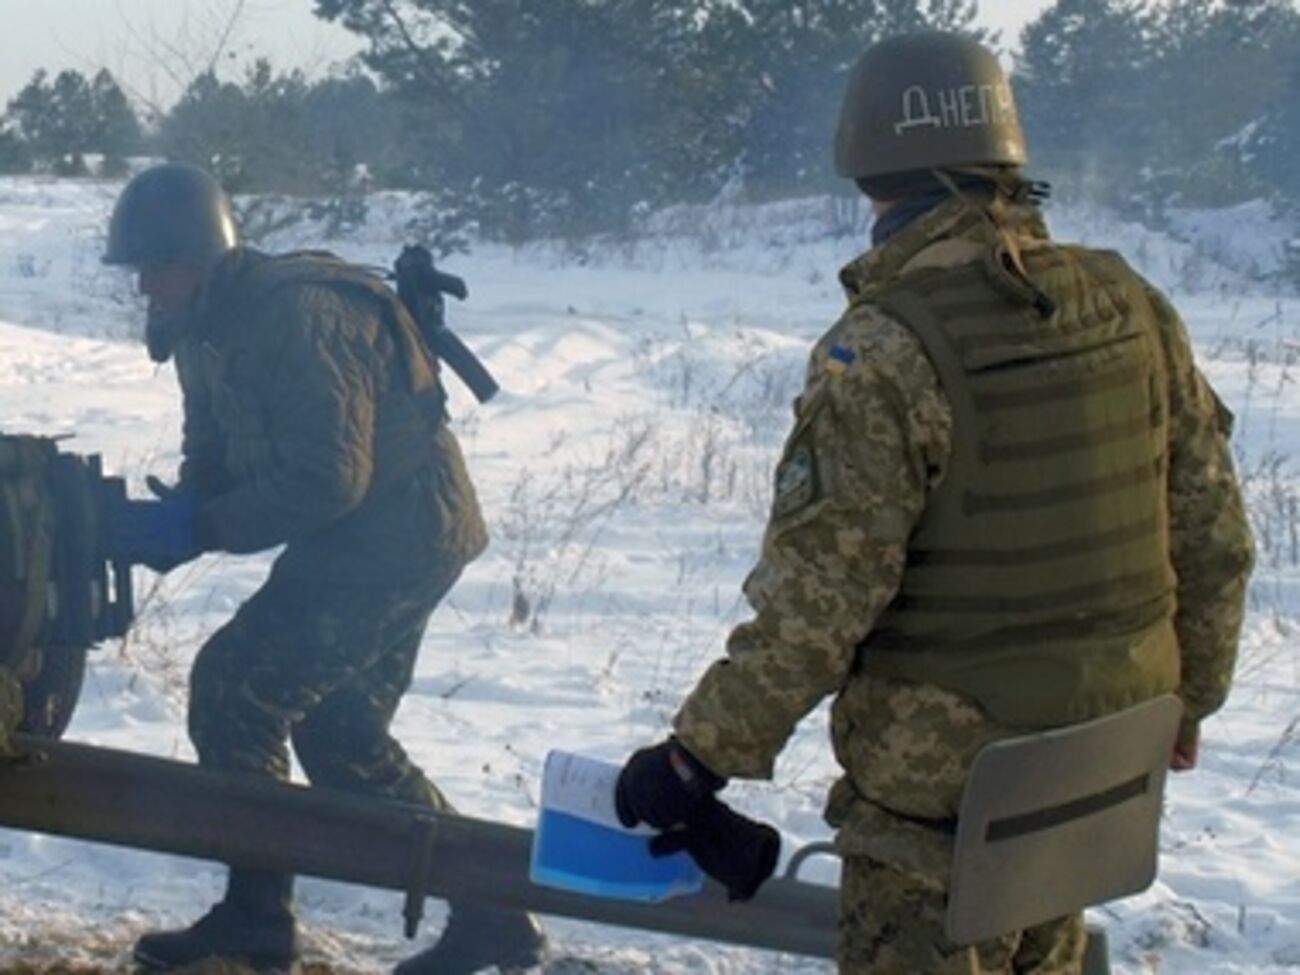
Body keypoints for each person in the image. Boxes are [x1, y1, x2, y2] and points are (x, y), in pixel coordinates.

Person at [615, 31, 1254, 975]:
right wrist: (1186, 701)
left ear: (866, 164)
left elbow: (817, 607)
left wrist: (693, 759)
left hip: (942, 816)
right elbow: (1214, 538)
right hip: (1093, 765)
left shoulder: (883, 351)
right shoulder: (1133, 306)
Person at [102, 162, 544, 975]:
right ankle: (494, 915)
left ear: (205, 256)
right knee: (342, 735)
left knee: (234, 687)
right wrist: (182, 511)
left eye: (160, 267)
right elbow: (214, 445)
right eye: (139, 270)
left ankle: (257, 917)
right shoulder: (202, 326)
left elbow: (327, 478)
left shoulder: (296, 316)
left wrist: (205, 525)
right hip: (362, 535)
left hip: (399, 534)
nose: (146, 286)